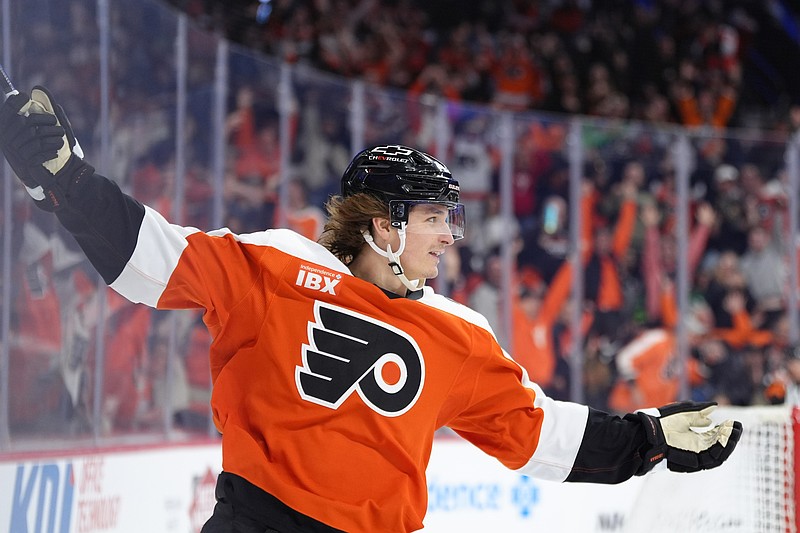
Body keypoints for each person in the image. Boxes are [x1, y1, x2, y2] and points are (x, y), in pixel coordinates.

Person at [0, 86, 742, 533]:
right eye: (433, 219)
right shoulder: (276, 265)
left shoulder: (459, 333)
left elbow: (541, 435)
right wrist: (66, 178)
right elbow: (150, 258)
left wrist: (649, 437)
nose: (448, 236)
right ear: (383, 225)